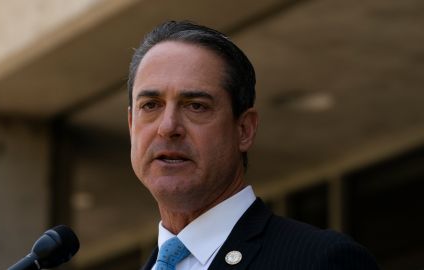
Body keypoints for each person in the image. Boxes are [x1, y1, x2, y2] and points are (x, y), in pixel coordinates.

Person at [127, 21, 379, 270]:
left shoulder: (321, 260)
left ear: (244, 130)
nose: (168, 127)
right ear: (131, 125)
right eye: (150, 105)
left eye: (196, 106)